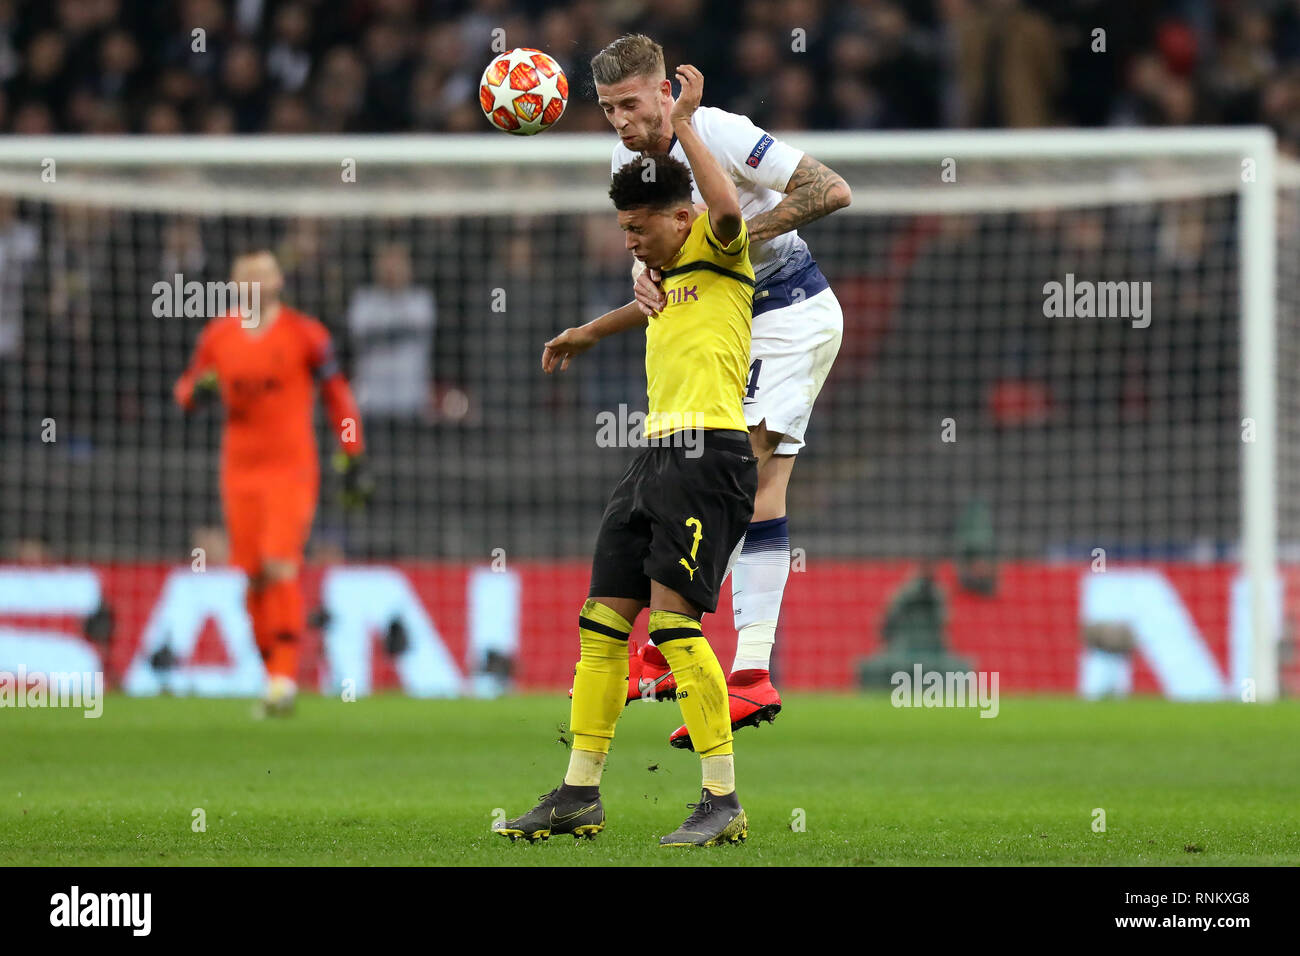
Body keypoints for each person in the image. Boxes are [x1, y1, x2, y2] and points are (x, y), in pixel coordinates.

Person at [542, 34, 851, 749]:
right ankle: (696, 658)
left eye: (630, 103)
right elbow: (651, 244)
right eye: (607, 108)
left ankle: (741, 669)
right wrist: (641, 281)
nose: (620, 120)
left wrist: (725, 245)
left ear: (664, 91)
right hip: (728, 325)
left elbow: (828, 190)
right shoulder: (624, 161)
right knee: (706, 471)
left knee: (743, 469)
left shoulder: (718, 132)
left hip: (790, 311)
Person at [500, 66, 756, 847]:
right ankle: (580, 792)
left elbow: (726, 203)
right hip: (651, 456)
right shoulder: (666, 279)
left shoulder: (721, 246)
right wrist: (587, 331)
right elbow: (649, 307)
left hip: (709, 454)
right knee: (601, 623)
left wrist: (681, 123)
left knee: (675, 631)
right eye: (624, 232)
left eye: (642, 229)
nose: (632, 242)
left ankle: (722, 798)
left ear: (681, 218)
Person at [174, 250, 370, 716]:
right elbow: (185, 391)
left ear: (279, 280)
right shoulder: (218, 336)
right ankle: (271, 677)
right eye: (246, 276)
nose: (255, 283)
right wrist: (196, 393)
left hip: (291, 469)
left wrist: (353, 450)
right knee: (254, 574)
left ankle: (283, 679)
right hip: (239, 471)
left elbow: (337, 397)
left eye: (263, 274)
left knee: (280, 564)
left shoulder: (306, 334)